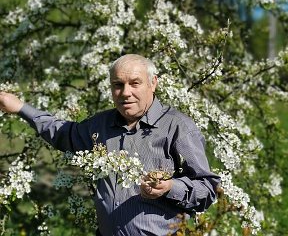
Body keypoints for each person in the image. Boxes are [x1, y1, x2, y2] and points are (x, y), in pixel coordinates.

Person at [0, 54, 221, 236]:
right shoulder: (100, 125)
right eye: (118, 85)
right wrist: (20, 107)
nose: (126, 93)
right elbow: (62, 133)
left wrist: (171, 187)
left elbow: (208, 188)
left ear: (153, 83)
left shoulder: (177, 126)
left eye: (135, 83)